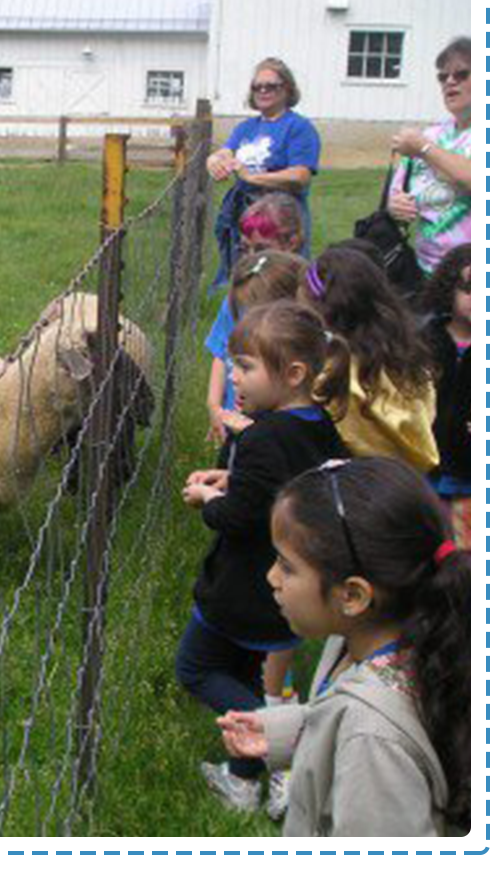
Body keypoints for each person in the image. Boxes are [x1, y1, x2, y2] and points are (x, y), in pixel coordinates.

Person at [217, 457, 472, 837]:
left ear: (352, 595)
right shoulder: (395, 640)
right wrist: (284, 730)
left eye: (287, 566)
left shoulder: (372, 743)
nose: (271, 577)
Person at [178, 301, 351, 817]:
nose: (233, 376)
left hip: (243, 588)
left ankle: (285, 745)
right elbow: (287, 486)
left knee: (196, 668)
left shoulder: (261, 436)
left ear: (293, 373)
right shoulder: (316, 424)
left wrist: (210, 500)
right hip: (287, 592)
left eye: (246, 366)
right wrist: (237, 482)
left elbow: (236, 519)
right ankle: (243, 779)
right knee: (248, 673)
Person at [300, 246, 438, 472]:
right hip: (405, 483)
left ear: (320, 309)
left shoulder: (336, 375)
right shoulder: (403, 356)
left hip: (356, 486)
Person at [206, 57, 321, 286]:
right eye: (257, 86)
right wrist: (214, 160)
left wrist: (251, 177)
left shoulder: (299, 127)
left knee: (280, 279)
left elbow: (300, 176)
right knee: (245, 276)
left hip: (281, 216)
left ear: (287, 89)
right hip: (245, 213)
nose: (263, 91)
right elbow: (227, 152)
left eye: (271, 86)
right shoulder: (246, 127)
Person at [205, 194, 306, 445]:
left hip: (280, 427)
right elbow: (221, 351)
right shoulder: (238, 296)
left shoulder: (304, 300)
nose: (250, 259)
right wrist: (214, 406)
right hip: (237, 414)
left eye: (261, 249)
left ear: (292, 242)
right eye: (244, 249)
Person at [387, 37, 472, 276]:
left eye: (461, 74)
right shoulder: (431, 134)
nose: (450, 82)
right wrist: (396, 205)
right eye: (442, 77)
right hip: (425, 267)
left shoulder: (423, 142)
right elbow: (398, 191)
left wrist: (424, 149)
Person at [419, 244, 472, 549]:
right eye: (469, 288)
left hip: (474, 476)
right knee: (432, 546)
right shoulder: (425, 341)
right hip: (429, 468)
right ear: (448, 288)